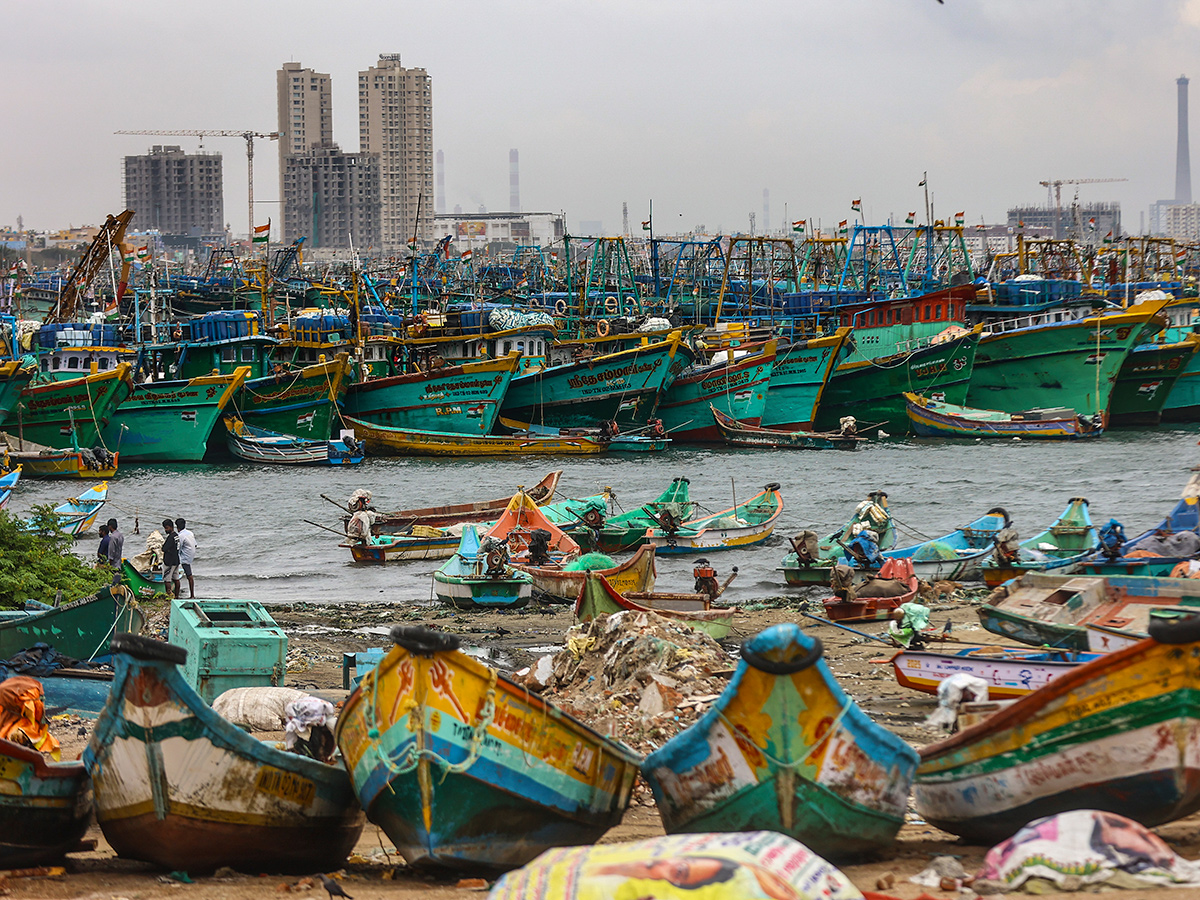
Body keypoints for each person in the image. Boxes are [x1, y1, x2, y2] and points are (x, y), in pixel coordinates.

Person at [175, 518, 196, 599]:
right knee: (189, 575)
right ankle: (192, 594)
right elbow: (195, 544)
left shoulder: (180, 535)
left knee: (189, 576)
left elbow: (178, 548)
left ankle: (192, 595)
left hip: (185, 557)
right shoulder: (190, 533)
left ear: (177, 527)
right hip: (191, 555)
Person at [161, 519, 181, 599]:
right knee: (176, 578)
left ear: (171, 527)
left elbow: (164, 548)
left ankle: (168, 596)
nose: (165, 530)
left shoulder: (171, 537)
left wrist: (167, 549)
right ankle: (176, 596)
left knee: (167, 579)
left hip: (169, 562)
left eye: (166, 528)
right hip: (176, 560)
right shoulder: (176, 536)